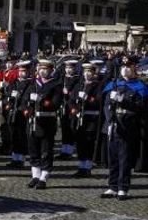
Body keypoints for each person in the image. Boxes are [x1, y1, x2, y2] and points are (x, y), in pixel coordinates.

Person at [101, 56, 147, 201]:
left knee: (124, 158)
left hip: (128, 125)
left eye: (128, 66)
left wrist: (123, 101)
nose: (125, 69)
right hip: (114, 126)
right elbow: (106, 106)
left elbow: (139, 108)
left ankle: (123, 187)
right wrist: (108, 122)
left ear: (134, 69)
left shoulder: (139, 87)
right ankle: (112, 186)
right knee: (113, 158)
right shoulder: (114, 84)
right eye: (123, 67)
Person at [22, 59, 63, 190]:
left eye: (46, 69)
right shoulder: (33, 84)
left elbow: (56, 103)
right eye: (41, 68)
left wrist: (44, 101)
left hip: (47, 122)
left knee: (46, 150)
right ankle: (35, 175)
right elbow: (24, 100)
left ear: (51, 70)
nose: (43, 71)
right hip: (33, 121)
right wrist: (26, 109)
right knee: (33, 149)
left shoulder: (55, 85)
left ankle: (44, 177)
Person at [69, 62, 105, 177]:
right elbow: (71, 99)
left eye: (90, 72)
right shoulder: (79, 85)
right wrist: (73, 107)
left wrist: (89, 98)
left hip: (91, 118)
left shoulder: (98, 85)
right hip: (80, 118)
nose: (87, 74)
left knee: (89, 143)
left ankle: (88, 167)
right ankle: (81, 166)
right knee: (80, 142)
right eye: (85, 72)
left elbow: (99, 100)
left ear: (94, 73)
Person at [58, 60, 81, 159]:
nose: (68, 70)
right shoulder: (63, 78)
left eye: (70, 68)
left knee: (72, 127)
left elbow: (78, 91)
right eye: (67, 68)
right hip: (64, 106)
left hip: (72, 106)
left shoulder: (78, 79)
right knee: (64, 127)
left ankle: (70, 150)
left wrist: (70, 92)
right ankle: (64, 150)